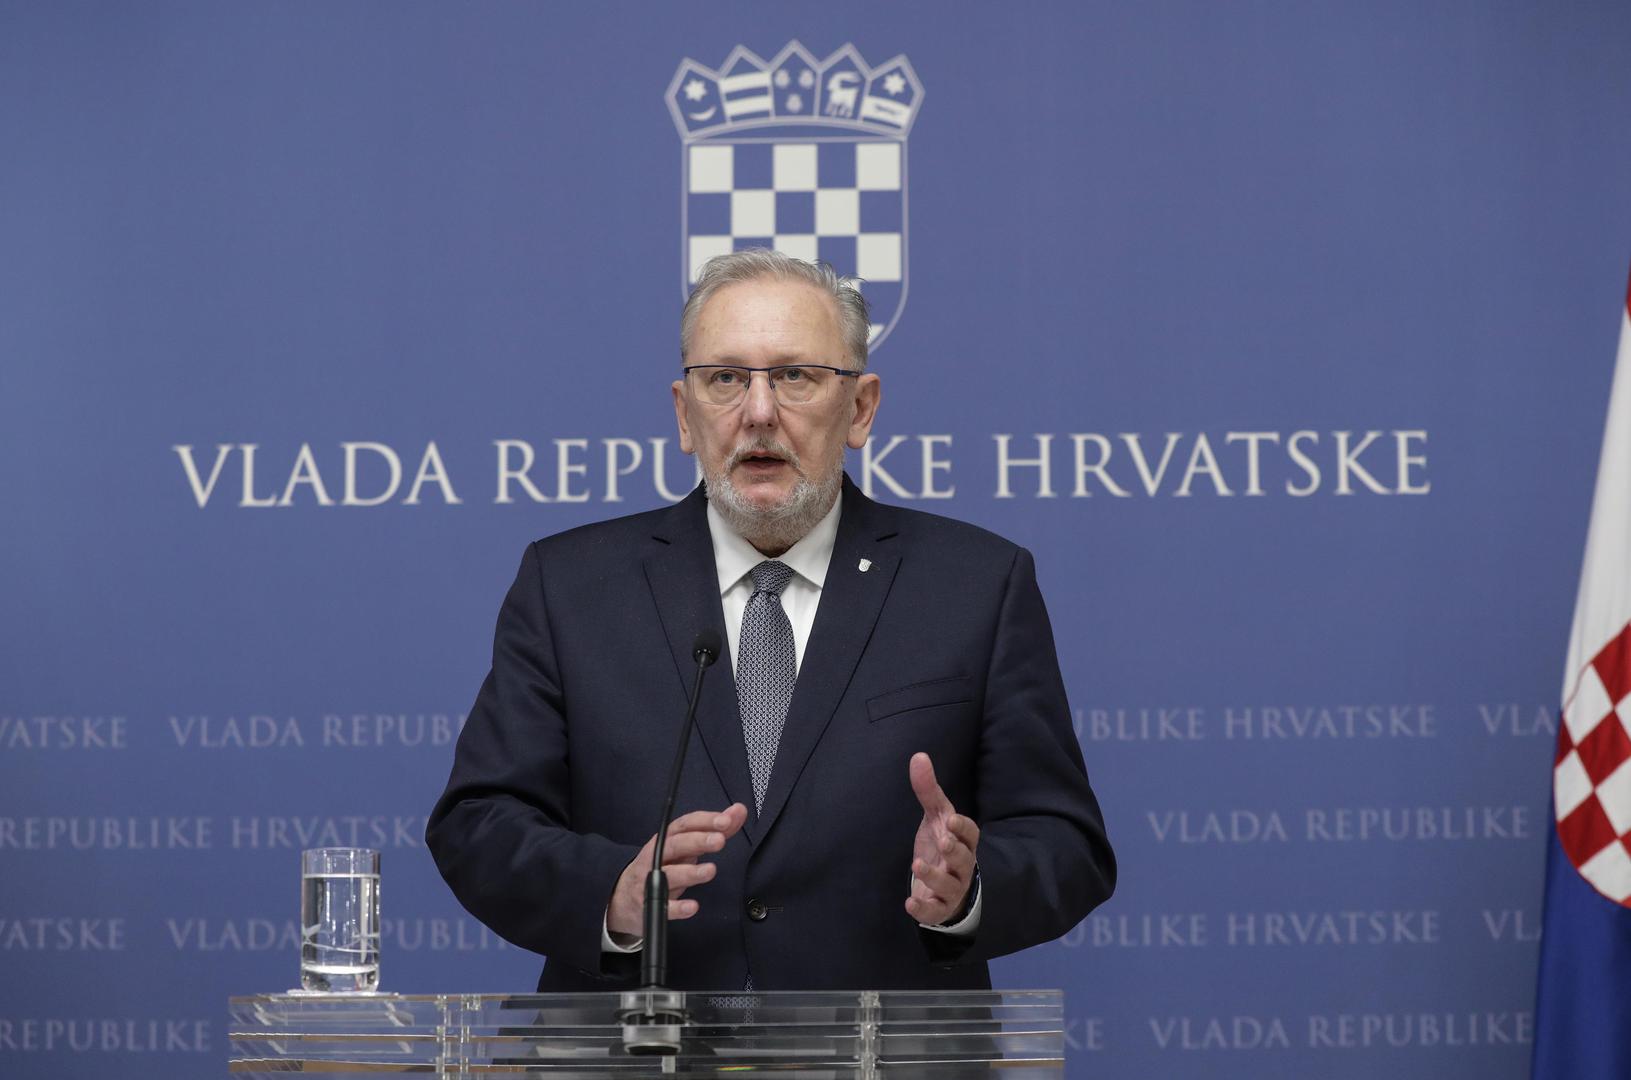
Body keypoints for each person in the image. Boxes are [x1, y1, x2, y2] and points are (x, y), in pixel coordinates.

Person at [426, 250, 1114, 992]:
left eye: (794, 376)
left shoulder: (976, 586)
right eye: (724, 378)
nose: (758, 412)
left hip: (885, 1046)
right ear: (683, 413)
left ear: (860, 408)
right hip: (638, 1043)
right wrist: (612, 893)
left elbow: (1064, 842)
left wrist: (968, 890)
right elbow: (479, 822)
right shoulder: (569, 587)